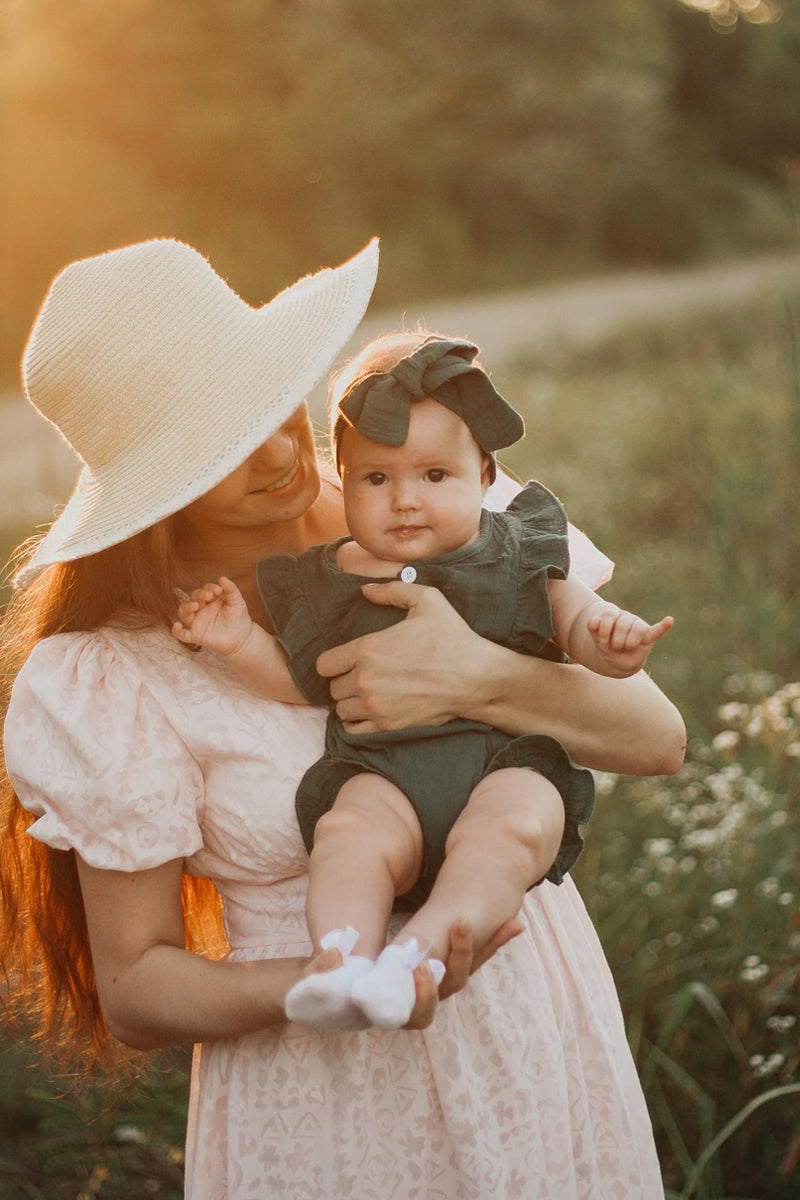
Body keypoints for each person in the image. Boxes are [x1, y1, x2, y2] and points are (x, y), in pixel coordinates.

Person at [0, 235, 685, 1200]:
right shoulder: (113, 669)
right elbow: (138, 990)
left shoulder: (440, 496)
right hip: (324, 1102)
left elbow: (657, 739)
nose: (283, 453)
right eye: (224, 446)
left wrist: (473, 677)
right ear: (156, 483)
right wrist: (341, 989)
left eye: (269, 402)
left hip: (532, 1031)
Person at [172, 332, 673, 1032]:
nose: (406, 500)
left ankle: (420, 954)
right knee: (346, 833)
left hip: (501, 763)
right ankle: (340, 963)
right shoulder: (331, 580)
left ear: (483, 479)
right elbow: (300, 679)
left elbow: (578, 621)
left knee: (516, 826)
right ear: (343, 481)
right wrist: (241, 642)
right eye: (378, 480)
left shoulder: (518, 549)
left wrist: (610, 640)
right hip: (385, 774)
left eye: (434, 476)